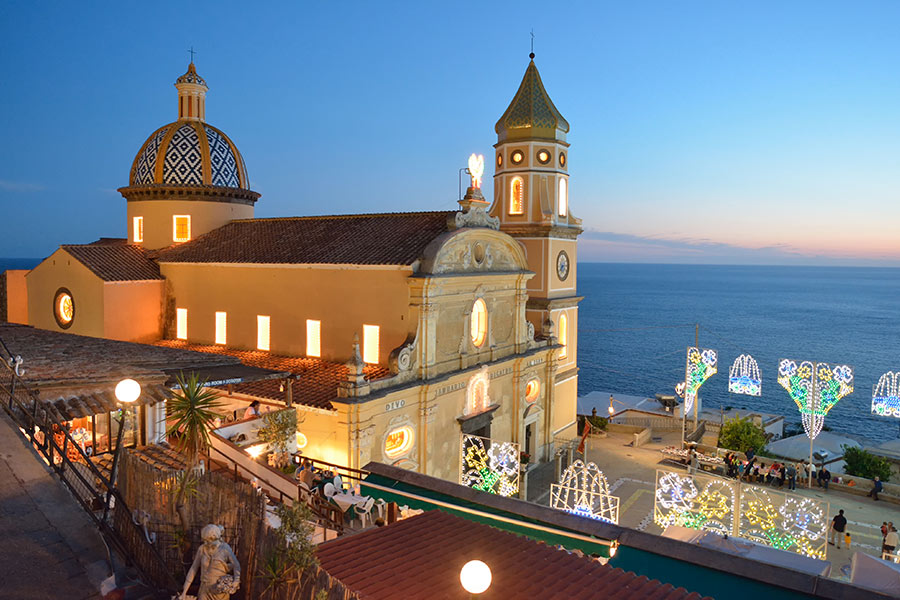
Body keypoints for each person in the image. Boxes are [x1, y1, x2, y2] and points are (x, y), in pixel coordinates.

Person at [180, 524, 241, 600]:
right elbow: (193, 569)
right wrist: (184, 591)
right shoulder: (202, 549)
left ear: (216, 539)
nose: (206, 543)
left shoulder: (225, 549)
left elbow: (236, 565)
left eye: (208, 541)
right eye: (204, 541)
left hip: (219, 592)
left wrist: (236, 581)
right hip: (204, 590)